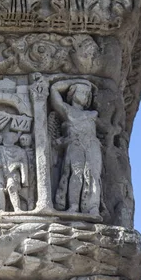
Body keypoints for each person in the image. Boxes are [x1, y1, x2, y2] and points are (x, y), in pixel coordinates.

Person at [50, 79, 102, 216]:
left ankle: (93, 207)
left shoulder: (92, 115)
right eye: (82, 92)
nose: (85, 96)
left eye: (87, 94)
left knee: (94, 175)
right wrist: (76, 80)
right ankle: (73, 205)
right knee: (76, 174)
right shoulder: (67, 111)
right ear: (72, 93)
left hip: (92, 145)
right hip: (76, 143)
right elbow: (54, 89)